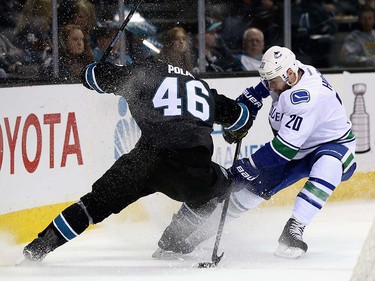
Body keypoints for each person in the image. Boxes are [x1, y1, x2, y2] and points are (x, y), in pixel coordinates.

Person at [22, 54, 257, 261]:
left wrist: (90, 70)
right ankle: (172, 242)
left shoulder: (146, 72)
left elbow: (97, 76)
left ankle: (40, 246)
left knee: (92, 205)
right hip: (191, 168)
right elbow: (241, 116)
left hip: (145, 161)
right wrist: (237, 129)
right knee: (222, 185)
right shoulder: (202, 89)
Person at [153, 45, 357, 260]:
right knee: (246, 193)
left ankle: (294, 229)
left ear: (289, 74)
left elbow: (282, 150)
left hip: (333, 145)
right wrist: (249, 105)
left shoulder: (306, 99)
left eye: (272, 82)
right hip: (295, 149)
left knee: (328, 164)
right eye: (267, 81)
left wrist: (248, 164)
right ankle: (193, 235)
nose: (269, 86)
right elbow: (260, 91)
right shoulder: (290, 73)